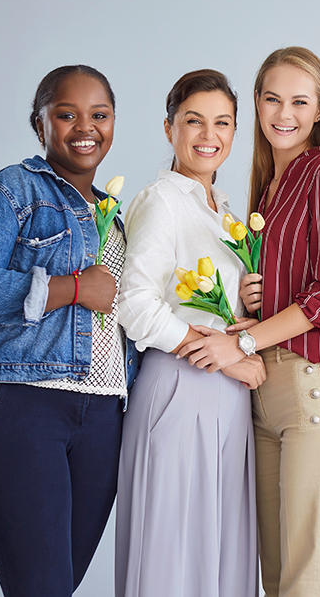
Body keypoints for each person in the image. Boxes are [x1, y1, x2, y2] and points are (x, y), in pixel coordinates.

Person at [179, 47, 320, 597]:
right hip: (263, 392)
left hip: (314, 384)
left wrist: (244, 338)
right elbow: (292, 289)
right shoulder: (266, 190)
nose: (285, 113)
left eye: (300, 101)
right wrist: (249, 295)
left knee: (309, 578)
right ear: (257, 104)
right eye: (273, 98)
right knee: (276, 578)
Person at [0, 64, 138, 596]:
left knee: (57, 587)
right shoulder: (13, 190)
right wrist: (70, 288)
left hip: (104, 418)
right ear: (39, 124)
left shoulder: (113, 217)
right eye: (66, 114)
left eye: (99, 114)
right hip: (25, 405)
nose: (84, 127)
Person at [115, 69, 263, 597]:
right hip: (179, 386)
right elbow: (134, 303)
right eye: (193, 121)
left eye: (222, 122)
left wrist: (247, 311)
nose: (208, 134)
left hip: (225, 397)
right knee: (173, 551)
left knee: (220, 552)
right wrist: (229, 357)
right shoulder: (163, 199)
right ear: (168, 128)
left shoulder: (225, 210)